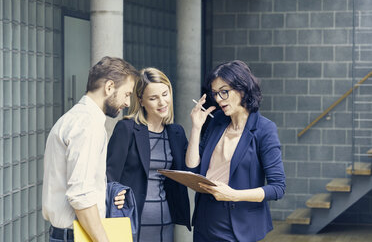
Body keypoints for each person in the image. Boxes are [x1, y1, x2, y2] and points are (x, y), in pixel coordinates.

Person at [42, 56, 139, 242]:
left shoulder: (73, 118)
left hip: (67, 233)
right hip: (75, 236)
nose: (127, 103)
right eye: (127, 94)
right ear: (109, 87)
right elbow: (81, 195)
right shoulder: (88, 125)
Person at [186, 60, 286, 242]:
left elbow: (277, 188)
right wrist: (195, 128)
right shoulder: (217, 121)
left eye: (224, 92)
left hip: (239, 225)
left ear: (242, 89)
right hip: (205, 219)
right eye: (215, 93)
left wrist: (233, 195)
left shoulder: (264, 129)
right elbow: (193, 168)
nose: (218, 99)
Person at [106, 68, 191, 242]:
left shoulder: (176, 133)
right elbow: (108, 176)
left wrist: (196, 127)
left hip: (166, 222)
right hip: (132, 222)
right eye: (153, 98)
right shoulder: (127, 129)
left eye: (165, 94)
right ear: (141, 101)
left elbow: (190, 171)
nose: (162, 102)